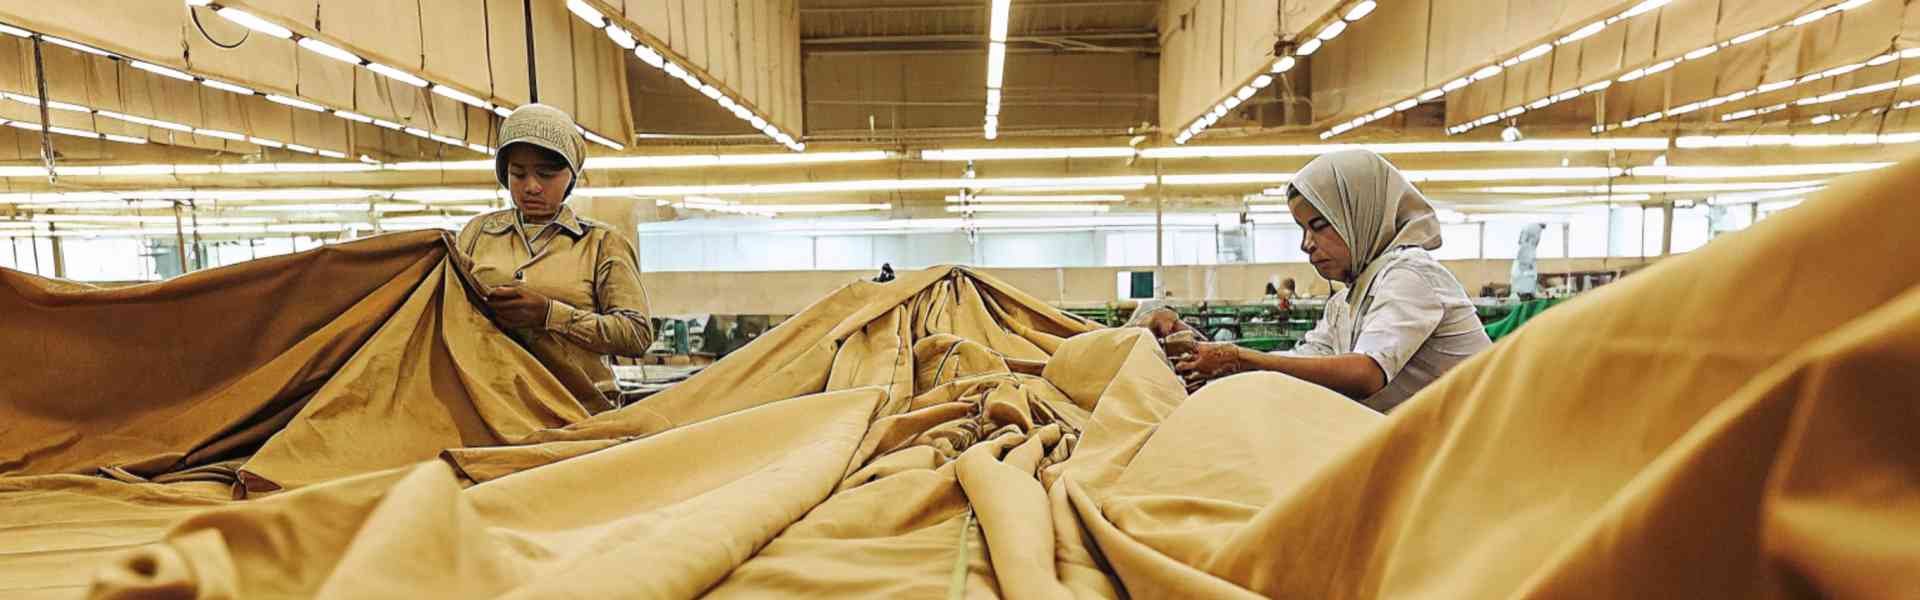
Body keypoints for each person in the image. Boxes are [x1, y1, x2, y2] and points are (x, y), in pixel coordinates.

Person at [1165, 149, 1491, 412]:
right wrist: (1192, 341)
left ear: (1359, 216)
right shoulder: (1345, 301)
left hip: (1474, 453)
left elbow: (1365, 374)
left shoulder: (1410, 274)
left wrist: (1238, 359)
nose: (1306, 244)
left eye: (1319, 225)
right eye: (1302, 229)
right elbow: (1300, 363)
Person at [456, 104, 655, 413]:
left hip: (579, 407)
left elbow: (636, 334)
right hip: (496, 407)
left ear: (571, 176)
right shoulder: (476, 234)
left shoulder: (602, 243)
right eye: (517, 174)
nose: (531, 186)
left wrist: (551, 314)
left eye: (546, 174)